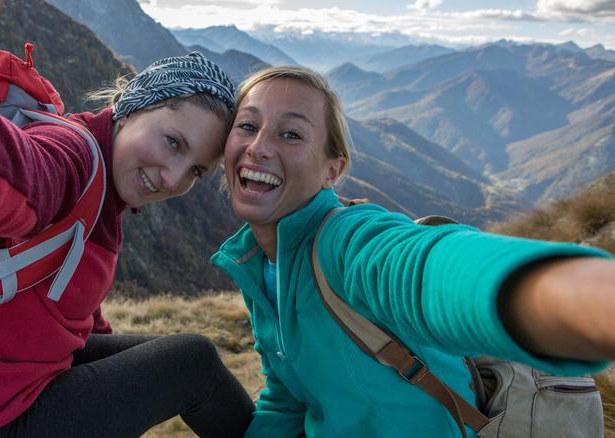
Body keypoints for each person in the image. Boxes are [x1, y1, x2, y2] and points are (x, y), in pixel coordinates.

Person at [0, 0, 255, 437]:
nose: (173, 177)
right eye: (172, 142)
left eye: (196, 170)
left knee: (165, 361)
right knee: (192, 363)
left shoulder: (106, 196)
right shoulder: (71, 159)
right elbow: (12, 175)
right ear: (132, 108)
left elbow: (70, 309)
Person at [210, 65, 615, 437]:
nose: (259, 147)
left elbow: (419, 268)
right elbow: (286, 397)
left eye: (291, 133)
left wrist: (560, 298)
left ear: (332, 170)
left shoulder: (346, 240)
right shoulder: (259, 264)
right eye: (247, 125)